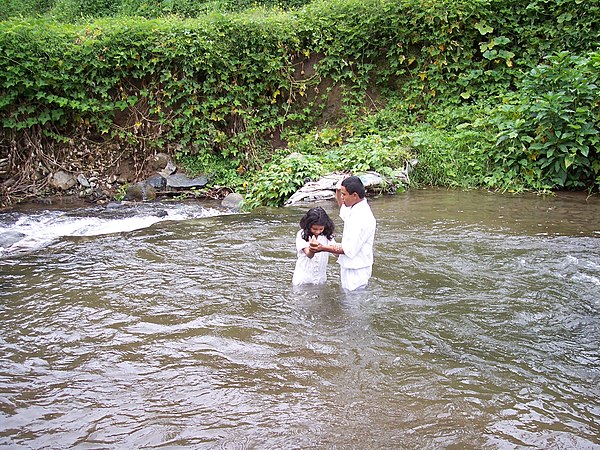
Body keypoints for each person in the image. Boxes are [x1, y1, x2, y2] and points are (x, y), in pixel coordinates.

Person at [309, 176, 376, 291]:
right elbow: (342, 207)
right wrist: (339, 188)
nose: (341, 197)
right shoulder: (354, 207)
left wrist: (322, 247)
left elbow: (347, 249)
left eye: (344, 194)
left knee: (353, 303)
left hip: (357, 270)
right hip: (350, 266)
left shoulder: (362, 218)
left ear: (354, 195)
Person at [292, 207, 337, 286]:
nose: (318, 231)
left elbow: (335, 252)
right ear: (308, 225)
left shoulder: (327, 236)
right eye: (315, 229)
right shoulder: (302, 234)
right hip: (303, 279)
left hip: (321, 279)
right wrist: (312, 247)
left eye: (321, 229)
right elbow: (309, 254)